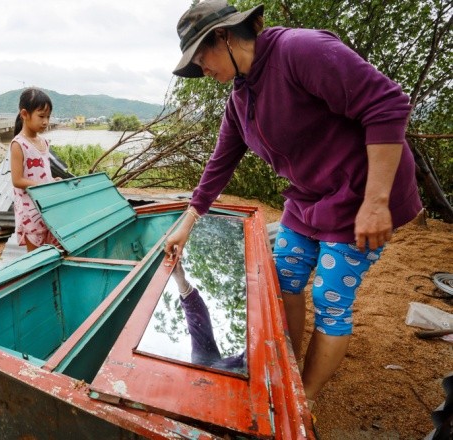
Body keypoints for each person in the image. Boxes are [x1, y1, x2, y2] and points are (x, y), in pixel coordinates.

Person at [164, 0, 423, 410]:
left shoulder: (301, 51)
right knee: (282, 279)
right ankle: (284, 370)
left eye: (201, 57)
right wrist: (189, 219)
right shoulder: (240, 96)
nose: (203, 71)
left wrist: (376, 202)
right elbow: (221, 161)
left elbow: (387, 104)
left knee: (330, 298)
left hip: (361, 194)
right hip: (309, 198)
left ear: (224, 36)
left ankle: (304, 399)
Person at [11, 88, 60, 252]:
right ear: (24, 114)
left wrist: (52, 182)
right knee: (35, 256)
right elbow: (17, 180)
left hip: (46, 206)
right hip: (30, 210)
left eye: (48, 116)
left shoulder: (44, 142)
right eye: (41, 116)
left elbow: (44, 174)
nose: (46, 121)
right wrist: (44, 187)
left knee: (51, 250)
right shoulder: (18, 144)